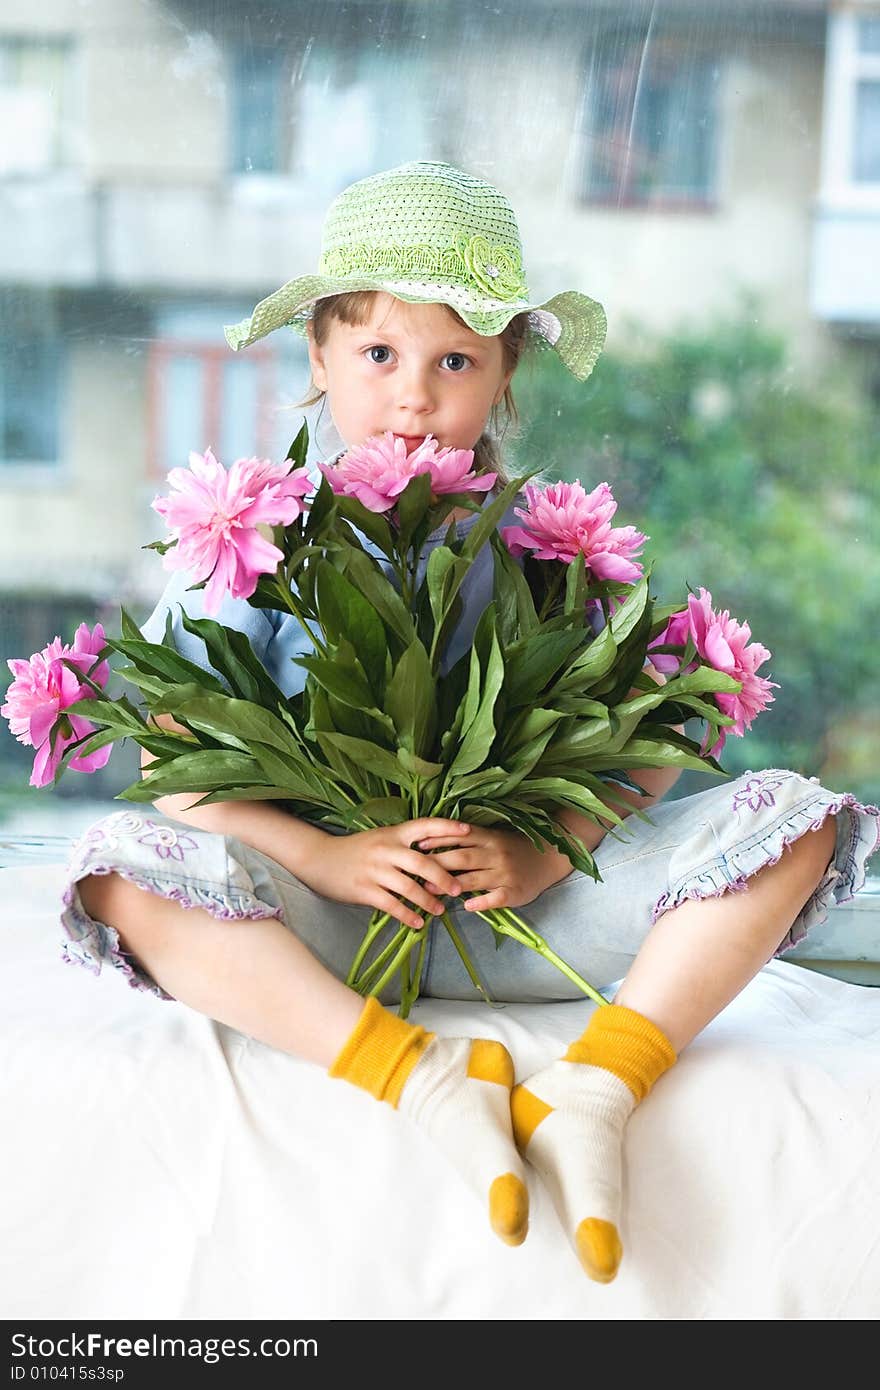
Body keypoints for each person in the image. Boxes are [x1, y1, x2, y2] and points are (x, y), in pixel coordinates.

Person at [64, 161, 879, 1286]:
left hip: (531, 915)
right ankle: (418, 1074)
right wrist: (327, 856)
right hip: (339, 928)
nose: (413, 395)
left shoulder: (545, 545)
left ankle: (597, 1081)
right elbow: (169, 758)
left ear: (503, 378)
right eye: (378, 354)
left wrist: (550, 846)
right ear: (317, 357)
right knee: (120, 871)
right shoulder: (246, 537)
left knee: (799, 820)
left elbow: (658, 736)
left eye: (455, 360)